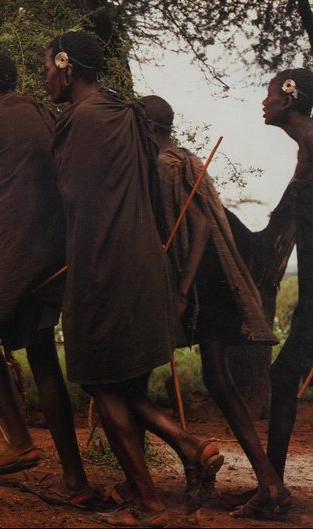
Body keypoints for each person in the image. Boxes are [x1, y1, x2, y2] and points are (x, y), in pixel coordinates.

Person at [44, 31, 223, 527]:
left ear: (67, 67)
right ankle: (174, 457)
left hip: (101, 266)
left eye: (47, 68)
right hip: (146, 265)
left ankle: (151, 495)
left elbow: (74, 200)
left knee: (100, 383)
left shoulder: (78, 122)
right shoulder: (127, 114)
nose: (46, 79)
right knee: (126, 385)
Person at [139, 94, 287, 519]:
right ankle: (269, 483)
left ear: (148, 126)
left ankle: (196, 469)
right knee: (218, 379)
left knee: (195, 376)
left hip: (201, 282)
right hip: (211, 278)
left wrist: (183, 289)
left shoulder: (164, 166)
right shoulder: (185, 158)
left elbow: (200, 223)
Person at [0, 50, 92, 502]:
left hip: (27, 252)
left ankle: (19, 442)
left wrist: (4, 274)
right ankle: (73, 477)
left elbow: (9, 207)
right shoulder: (34, 109)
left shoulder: (4, 119)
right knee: (39, 350)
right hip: (54, 248)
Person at [245, 68, 313, 518]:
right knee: (286, 376)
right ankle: (272, 487)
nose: (264, 102)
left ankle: (273, 489)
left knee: (285, 376)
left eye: (270, 95)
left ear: (288, 99)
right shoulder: (304, 151)